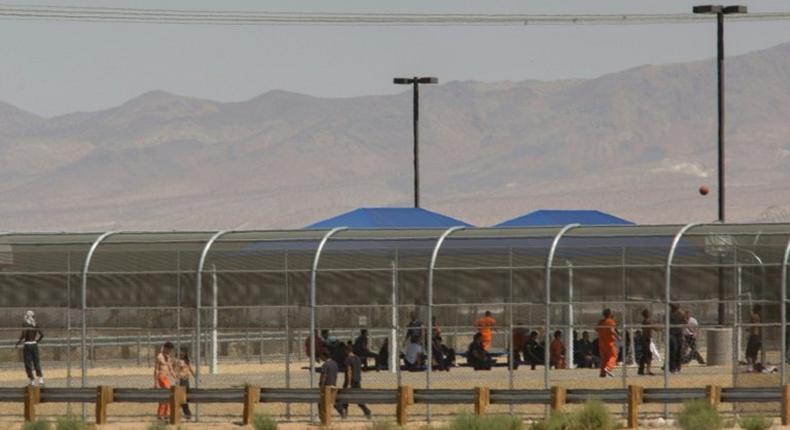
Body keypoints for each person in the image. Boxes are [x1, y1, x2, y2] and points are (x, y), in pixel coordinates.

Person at [340, 346, 372, 419]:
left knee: (344, 397)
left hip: (350, 381)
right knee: (358, 397)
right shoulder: (357, 358)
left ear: (347, 350)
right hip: (357, 380)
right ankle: (367, 411)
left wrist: (348, 383)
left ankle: (344, 413)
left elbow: (349, 371)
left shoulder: (348, 359)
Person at [16, 310, 44, 386]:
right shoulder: (35, 324)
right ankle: (41, 378)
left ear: (26, 316)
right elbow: (42, 335)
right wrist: (36, 341)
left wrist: (18, 343)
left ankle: (32, 380)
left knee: (28, 363)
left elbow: (23, 335)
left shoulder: (25, 324)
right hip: (34, 344)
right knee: (36, 362)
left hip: (27, 345)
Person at [154, 342, 177, 421]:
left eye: (170, 350)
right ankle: (162, 415)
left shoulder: (168, 357)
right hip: (161, 377)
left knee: (167, 396)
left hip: (166, 378)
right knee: (167, 395)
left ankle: (165, 414)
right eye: (169, 349)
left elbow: (171, 369)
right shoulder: (159, 357)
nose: (169, 351)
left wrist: (176, 377)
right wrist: (155, 382)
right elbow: (156, 370)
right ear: (165, 348)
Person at [318, 350, 343, 418]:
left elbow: (323, 376)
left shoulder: (325, 364)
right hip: (333, 384)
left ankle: (323, 417)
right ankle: (341, 412)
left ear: (324, 356)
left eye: (321, 356)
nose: (321, 358)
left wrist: (321, 385)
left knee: (322, 403)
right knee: (333, 401)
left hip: (327, 386)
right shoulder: (335, 363)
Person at [596, 308, 618, 378]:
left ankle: (602, 373)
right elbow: (612, 330)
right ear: (609, 314)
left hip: (602, 343)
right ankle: (608, 368)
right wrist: (617, 336)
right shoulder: (611, 321)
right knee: (613, 356)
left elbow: (596, 329)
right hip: (610, 342)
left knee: (604, 358)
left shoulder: (600, 322)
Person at [176, 348, 195, 421]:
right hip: (181, 380)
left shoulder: (187, 361)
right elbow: (176, 370)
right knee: (182, 399)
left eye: (183, 353)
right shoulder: (178, 361)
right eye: (180, 353)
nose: (182, 354)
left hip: (186, 381)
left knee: (186, 398)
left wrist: (196, 376)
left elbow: (191, 369)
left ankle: (187, 414)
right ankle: (186, 414)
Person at [668, 303, 687, 374]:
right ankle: (672, 368)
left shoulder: (680, 314)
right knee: (673, 350)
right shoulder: (669, 314)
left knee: (679, 350)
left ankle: (678, 367)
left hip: (679, 334)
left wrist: (684, 316)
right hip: (672, 334)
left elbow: (685, 322)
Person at [638, 309, 657, 376]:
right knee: (648, 355)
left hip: (646, 340)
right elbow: (655, 328)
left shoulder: (646, 321)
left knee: (645, 355)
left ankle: (641, 370)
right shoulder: (647, 321)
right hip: (646, 340)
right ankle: (647, 371)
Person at [746, 304, 762, 369]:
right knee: (754, 353)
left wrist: (750, 311)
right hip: (757, 337)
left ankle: (750, 367)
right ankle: (753, 366)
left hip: (754, 337)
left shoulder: (755, 316)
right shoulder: (758, 317)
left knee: (748, 354)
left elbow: (752, 316)